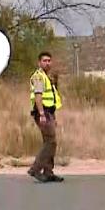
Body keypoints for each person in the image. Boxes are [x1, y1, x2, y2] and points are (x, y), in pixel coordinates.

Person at [29, 52, 64, 183]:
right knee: (51, 142)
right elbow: (38, 96)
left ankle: (48, 172)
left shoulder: (47, 77)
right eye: (44, 61)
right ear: (39, 62)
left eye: (49, 60)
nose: (47, 63)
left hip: (49, 112)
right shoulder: (39, 77)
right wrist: (42, 114)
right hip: (42, 112)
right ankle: (35, 169)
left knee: (49, 142)